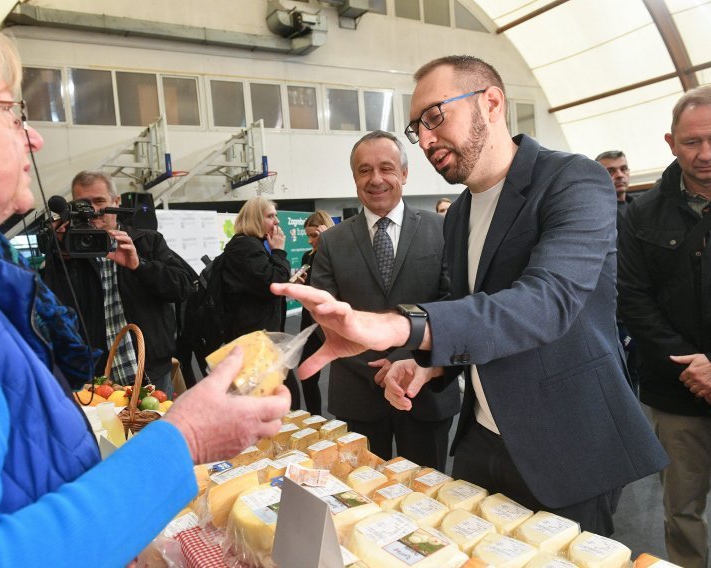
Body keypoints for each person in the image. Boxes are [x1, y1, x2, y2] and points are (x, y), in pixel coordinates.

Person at [0, 2, 290, 566]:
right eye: (12, 112)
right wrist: (186, 439)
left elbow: (183, 287)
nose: (34, 139)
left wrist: (138, 265)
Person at [273, 55, 667, 535]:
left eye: (436, 116)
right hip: (481, 440)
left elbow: (546, 302)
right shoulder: (458, 216)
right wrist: (430, 363)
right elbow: (476, 319)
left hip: (564, 442)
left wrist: (400, 325)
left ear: (492, 102)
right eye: (418, 128)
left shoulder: (572, 180)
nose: (427, 138)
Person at [617, 84, 711, 568]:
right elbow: (634, 301)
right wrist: (694, 368)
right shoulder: (640, 214)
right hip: (675, 383)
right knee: (681, 507)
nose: (705, 154)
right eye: (692, 142)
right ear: (670, 142)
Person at [310, 130, 458, 471]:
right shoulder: (332, 241)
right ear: (354, 178)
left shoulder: (442, 229)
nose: (375, 179)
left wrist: (405, 358)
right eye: (364, 170)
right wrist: (376, 369)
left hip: (424, 388)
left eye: (386, 168)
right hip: (357, 394)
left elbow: (452, 302)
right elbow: (324, 316)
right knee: (361, 497)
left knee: (426, 497)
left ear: (404, 174)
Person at [43, 170, 194, 396]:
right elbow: (53, 306)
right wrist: (59, 254)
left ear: (116, 201)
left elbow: (183, 286)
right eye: (83, 204)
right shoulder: (70, 252)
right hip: (96, 375)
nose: (93, 210)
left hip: (149, 368)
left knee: (157, 428)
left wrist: (139, 265)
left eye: (99, 201)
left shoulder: (147, 240)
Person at [222, 196, 302, 409]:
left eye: (276, 215)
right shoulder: (245, 247)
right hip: (255, 339)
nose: (276, 222)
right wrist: (278, 251)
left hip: (261, 336)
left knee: (282, 397)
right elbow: (273, 283)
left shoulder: (253, 245)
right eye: (270, 216)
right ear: (255, 219)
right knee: (280, 400)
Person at [596, 150, 639, 394]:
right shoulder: (593, 215)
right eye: (611, 171)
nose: (619, 176)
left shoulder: (641, 211)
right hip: (614, 315)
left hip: (644, 313)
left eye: (623, 169)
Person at [297, 210, 335, 415]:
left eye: (315, 235)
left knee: (343, 378)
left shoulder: (338, 255)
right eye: (308, 236)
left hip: (333, 325)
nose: (311, 241)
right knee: (307, 373)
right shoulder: (307, 257)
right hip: (311, 324)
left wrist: (331, 242)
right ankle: (315, 419)